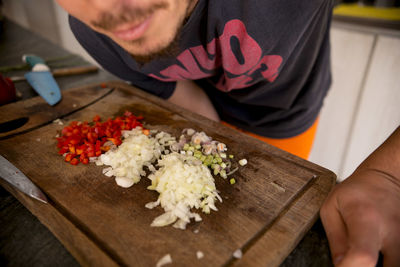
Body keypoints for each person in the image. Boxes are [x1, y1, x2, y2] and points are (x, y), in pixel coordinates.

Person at [55, 0, 400, 266]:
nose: (104, 8)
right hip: (206, 108)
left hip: (283, 117)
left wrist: (389, 173)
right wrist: (209, 138)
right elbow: (179, 91)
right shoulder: (93, 31)